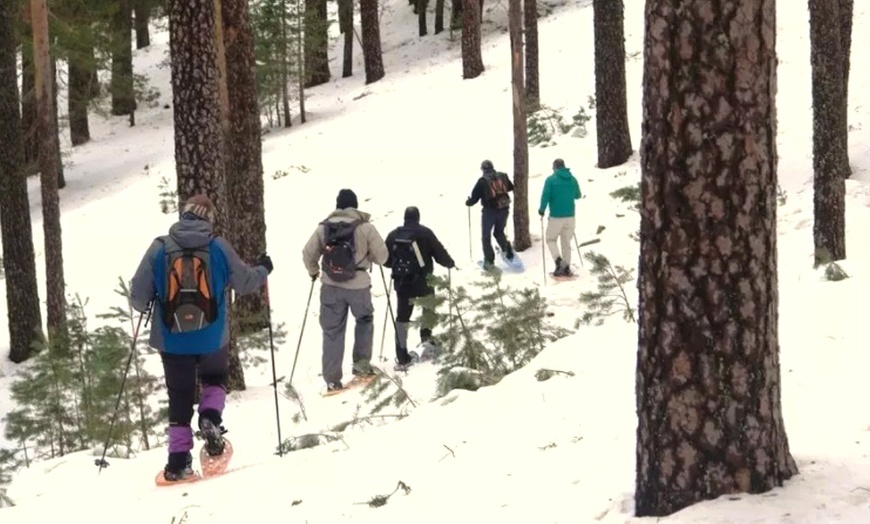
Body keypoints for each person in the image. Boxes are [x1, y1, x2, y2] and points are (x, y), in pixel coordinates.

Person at [130, 194, 272, 482]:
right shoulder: (218, 247)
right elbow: (245, 282)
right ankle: (210, 418)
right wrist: (263, 269)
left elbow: (137, 297)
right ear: (208, 219)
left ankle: (178, 464)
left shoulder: (159, 248)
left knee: (179, 397)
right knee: (215, 379)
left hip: (172, 340)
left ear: (184, 215)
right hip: (212, 335)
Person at [302, 189, 389, 392]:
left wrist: (314, 272)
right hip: (358, 285)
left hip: (330, 286)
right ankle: (361, 368)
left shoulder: (323, 228)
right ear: (355, 206)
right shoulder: (365, 227)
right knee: (364, 321)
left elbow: (307, 254)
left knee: (332, 331)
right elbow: (383, 257)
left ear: (337, 205)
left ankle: (332, 380)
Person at [383, 206, 455, 370]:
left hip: (402, 284)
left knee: (402, 320)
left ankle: (402, 356)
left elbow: (386, 261)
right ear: (418, 218)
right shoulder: (425, 233)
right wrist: (450, 263)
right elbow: (439, 254)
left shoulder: (394, 235)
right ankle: (426, 340)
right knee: (428, 310)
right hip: (423, 282)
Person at [465, 160, 517, 270]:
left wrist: (468, 202)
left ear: (483, 169)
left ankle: (489, 262)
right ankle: (507, 251)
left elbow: (474, 199)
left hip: (489, 212)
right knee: (499, 232)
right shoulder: (502, 176)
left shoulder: (482, 181)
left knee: (486, 236)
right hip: (504, 209)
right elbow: (511, 187)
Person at [538, 158, 582, 276]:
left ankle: (558, 261)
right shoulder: (572, 179)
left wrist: (542, 210)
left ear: (555, 168)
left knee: (550, 239)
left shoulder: (551, 180)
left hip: (556, 216)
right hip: (570, 216)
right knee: (566, 242)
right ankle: (566, 267)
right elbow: (578, 195)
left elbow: (545, 196)